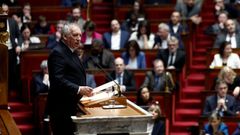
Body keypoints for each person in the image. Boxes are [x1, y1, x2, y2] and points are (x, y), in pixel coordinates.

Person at [47, 23, 93, 135]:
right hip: (61, 110)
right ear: (65, 36)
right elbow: (57, 80)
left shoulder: (71, 51)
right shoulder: (58, 53)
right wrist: (78, 89)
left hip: (71, 106)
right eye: (75, 35)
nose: (78, 38)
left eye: (80, 35)